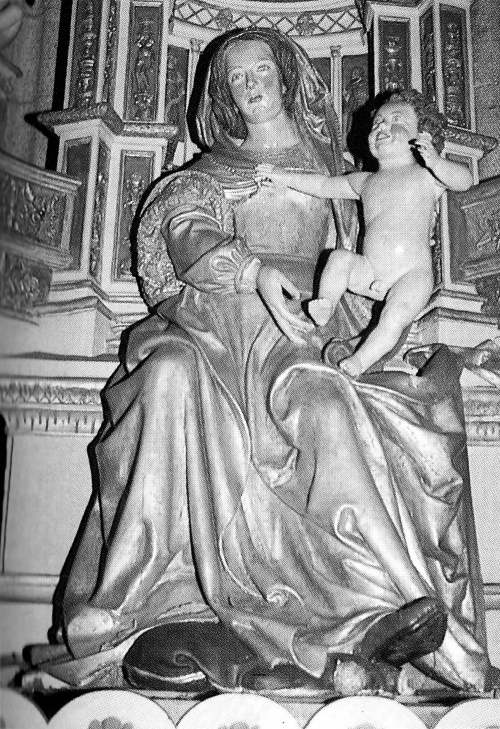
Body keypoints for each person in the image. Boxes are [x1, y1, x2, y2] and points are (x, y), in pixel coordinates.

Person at [30, 29, 493, 697]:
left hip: (309, 327)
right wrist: (251, 272)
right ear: (222, 93)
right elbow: (185, 232)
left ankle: (397, 604)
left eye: (261, 72)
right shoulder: (210, 172)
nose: (250, 85)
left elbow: (378, 255)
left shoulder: (335, 172)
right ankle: (201, 609)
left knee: (328, 408)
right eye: (236, 77)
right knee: (169, 376)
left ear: (285, 78)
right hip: (218, 325)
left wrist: (386, 328)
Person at [257, 90, 473, 378]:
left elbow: (465, 180)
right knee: (338, 259)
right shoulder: (365, 181)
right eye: (378, 122)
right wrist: (283, 179)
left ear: (422, 135)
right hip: (370, 271)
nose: (383, 126)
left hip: (412, 273)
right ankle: (326, 304)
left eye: (396, 120)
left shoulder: (426, 176)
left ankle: (360, 361)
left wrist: (435, 162)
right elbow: (323, 186)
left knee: (394, 316)